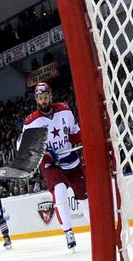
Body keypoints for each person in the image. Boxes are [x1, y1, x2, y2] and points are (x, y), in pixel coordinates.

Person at [21, 81, 85, 250]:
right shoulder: (31, 122)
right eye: (40, 98)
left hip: (70, 158)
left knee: (85, 195)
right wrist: (44, 153)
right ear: (36, 99)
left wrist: (87, 138)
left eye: (45, 97)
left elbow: (75, 133)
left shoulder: (65, 110)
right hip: (51, 164)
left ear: (50, 96)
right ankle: (68, 232)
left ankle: (96, 224)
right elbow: (25, 148)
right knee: (60, 190)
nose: (43, 101)